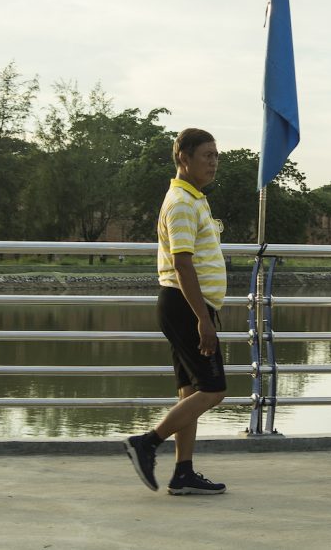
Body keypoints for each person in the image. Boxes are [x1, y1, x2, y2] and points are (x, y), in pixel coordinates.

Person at [123, 128, 227, 496]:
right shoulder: (182, 202)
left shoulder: (193, 198)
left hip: (187, 305)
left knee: (190, 392)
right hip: (185, 306)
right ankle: (147, 443)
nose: (213, 162)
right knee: (213, 391)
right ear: (183, 158)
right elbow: (183, 265)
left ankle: (183, 473)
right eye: (206, 155)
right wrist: (203, 319)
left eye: (216, 155)